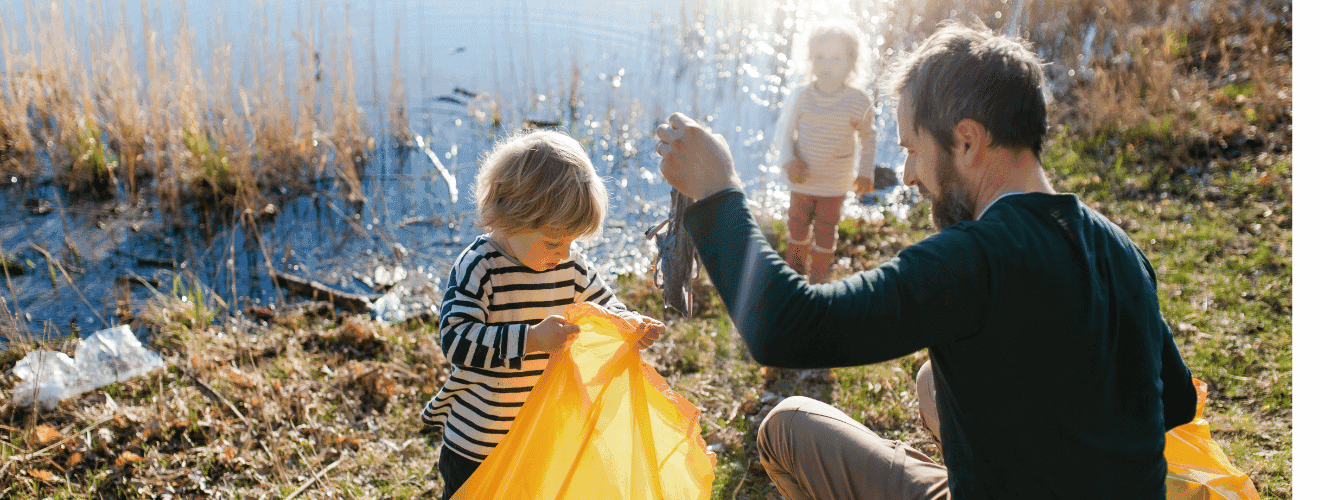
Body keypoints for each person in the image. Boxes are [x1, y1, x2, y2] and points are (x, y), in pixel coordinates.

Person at [654, 20, 1196, 500]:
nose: (909, 174)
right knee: (932, 382)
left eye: (913, 149)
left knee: (788, 426)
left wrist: (718, 193)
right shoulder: (1118, 247)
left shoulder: (973, 260)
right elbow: (1174, 401)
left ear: (966, 142)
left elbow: (787, 326)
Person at [420, 130, 665, 499]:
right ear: (511, 218)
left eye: (572, 242)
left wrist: (628, 324)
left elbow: (604, 306)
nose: (565, 253)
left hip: (540, 433)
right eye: (554, 242)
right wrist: (531, 339)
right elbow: (456, 340)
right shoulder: (480, 268)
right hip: (479, 442)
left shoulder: (570, 267)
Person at [776, 21, 878, 283]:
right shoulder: (801, 95)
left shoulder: (857, 100)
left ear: (850, 62)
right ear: (810, 60)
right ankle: (794, 275)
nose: (827, 65)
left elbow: (868, 136)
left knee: (826, 228)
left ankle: (819, 281)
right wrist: (788, 160)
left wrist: (865, 172)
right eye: (820, 58)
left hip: (835, 182)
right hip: (802, 178)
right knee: (797, 224)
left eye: (835, 58)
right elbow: (785, 131)